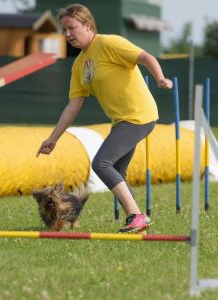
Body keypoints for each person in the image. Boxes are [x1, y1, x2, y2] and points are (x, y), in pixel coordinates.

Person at [36, 3, 173, 233]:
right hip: (121, 120)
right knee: (117, 172)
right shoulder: (79, 64)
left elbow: (145, 57)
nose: (67, 34)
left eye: (72, 28)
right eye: (65, 30)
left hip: (138, 115)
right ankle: (139, 221)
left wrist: (160, 78)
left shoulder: (109, 43)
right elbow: (73, 105)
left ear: (88, 25)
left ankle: (137, 216)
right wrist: (53, 138)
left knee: (101, 163)